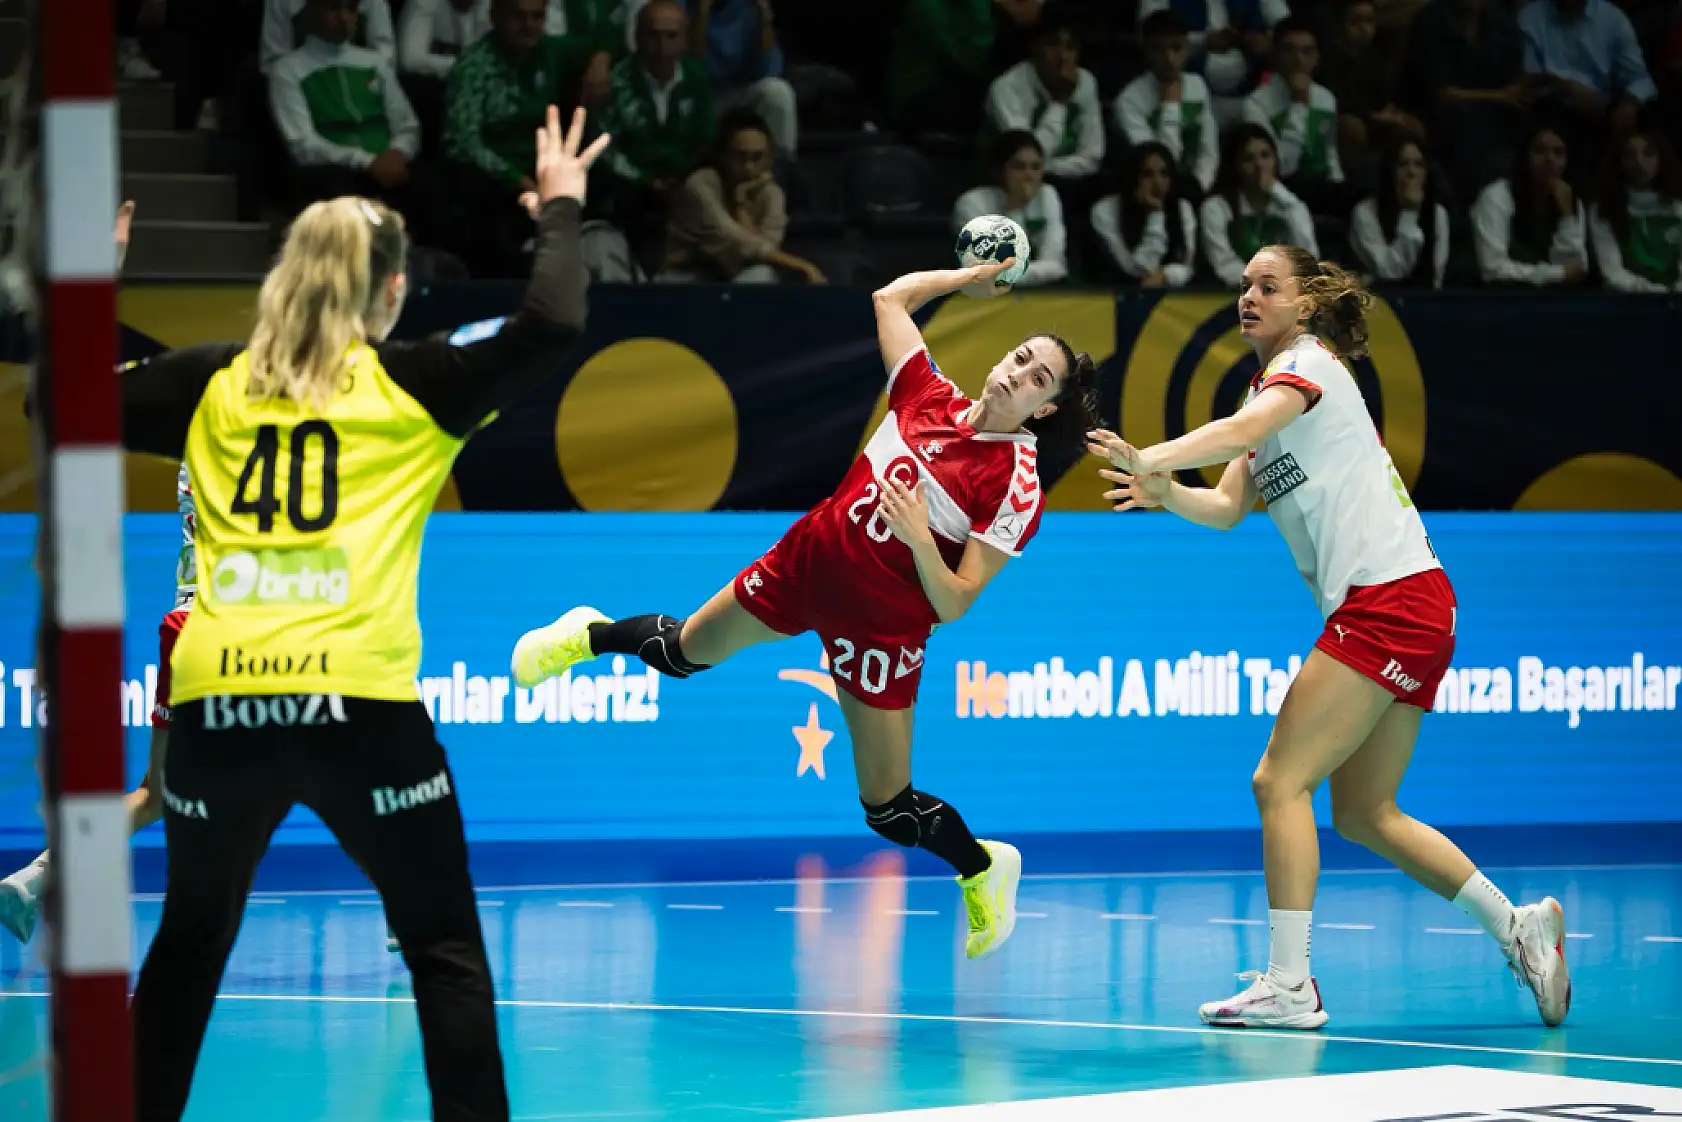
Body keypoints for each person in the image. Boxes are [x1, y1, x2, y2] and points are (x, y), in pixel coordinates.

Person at [116, 105, 608, 1122]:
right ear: (390, 290)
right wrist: (558, 212)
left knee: (189, 945)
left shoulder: (209, 384)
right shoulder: (411, 383)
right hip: (359, 713)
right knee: (440, 949)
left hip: (218, 714)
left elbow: (55, 400)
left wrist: (86, 290)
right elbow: (553, 321)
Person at [509, 259, 1099, 961]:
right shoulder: (925, 393)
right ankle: (588, 634)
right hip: (805, 565)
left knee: (887, 808)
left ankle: (982, 867)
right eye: (1022, 356)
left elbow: (957, 600)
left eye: (1039, 379)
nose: (1019, 373)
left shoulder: (1016, 482)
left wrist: (918, 540)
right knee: (680, 653)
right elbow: (887, 295)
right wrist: (965, 279)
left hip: (881, 628)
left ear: (1046, 409)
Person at [1088, 244, 1570, 1031]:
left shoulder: (1308, 367)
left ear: (1305, 304)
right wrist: (1162, 489)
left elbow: (1246, 425)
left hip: (1388, 600)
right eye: (1242, 285)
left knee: (1278, 782)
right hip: (1413, 602)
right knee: (1365, 811)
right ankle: (1518, 926)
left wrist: (1151, 453)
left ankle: (1289, 986)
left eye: (1266, 286)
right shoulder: (1268, 390)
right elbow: (1226, 507)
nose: (1248, 296)